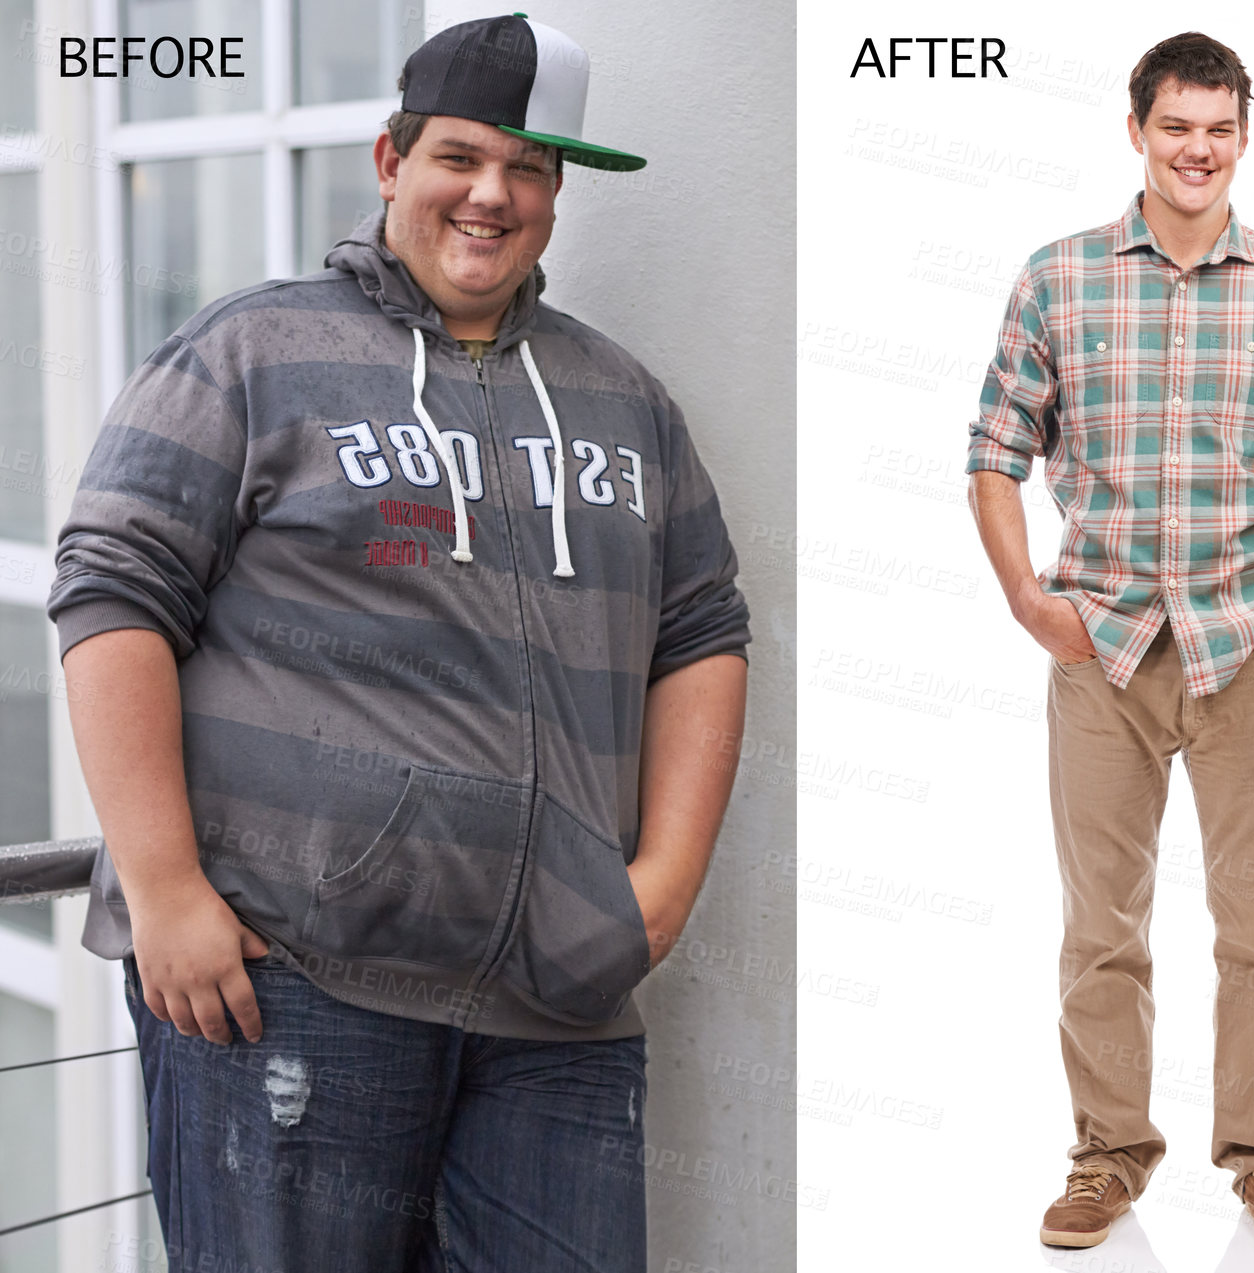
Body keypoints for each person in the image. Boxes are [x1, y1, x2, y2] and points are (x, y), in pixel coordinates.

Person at [47, 14, 750, 1272]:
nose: (493, 194)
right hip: (290, 987)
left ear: (555, 192)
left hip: (559, 1014)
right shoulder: (250, 351)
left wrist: (661, 888)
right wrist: (162, 890)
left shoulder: (624, 399)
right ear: (390, 160)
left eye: (529, 168)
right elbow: (111, 593)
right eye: (460, 157)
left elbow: (701, 627)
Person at [965, 31, 1254, 1253]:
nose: (1195, 149)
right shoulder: (1057, 277)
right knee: (1100, 925)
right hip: (1097, 646)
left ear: (1242, 138)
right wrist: (1023, 598)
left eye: (1217, 128)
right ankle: (1106, 1158)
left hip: (1250, 645)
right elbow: (995, 451)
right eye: (1174, 127)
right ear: (1137, 133)